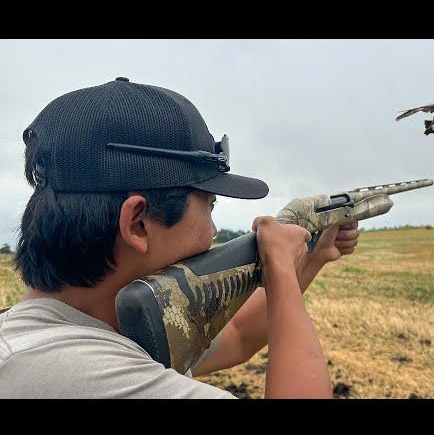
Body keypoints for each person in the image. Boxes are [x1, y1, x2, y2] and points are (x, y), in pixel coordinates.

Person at [0, 77, 359, 398]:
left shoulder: (105, 328)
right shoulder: (65, 374)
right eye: (210, 206)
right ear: (138, 223)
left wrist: (312, 256)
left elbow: (238, 337)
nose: (214, 232)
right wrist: (281, 274)